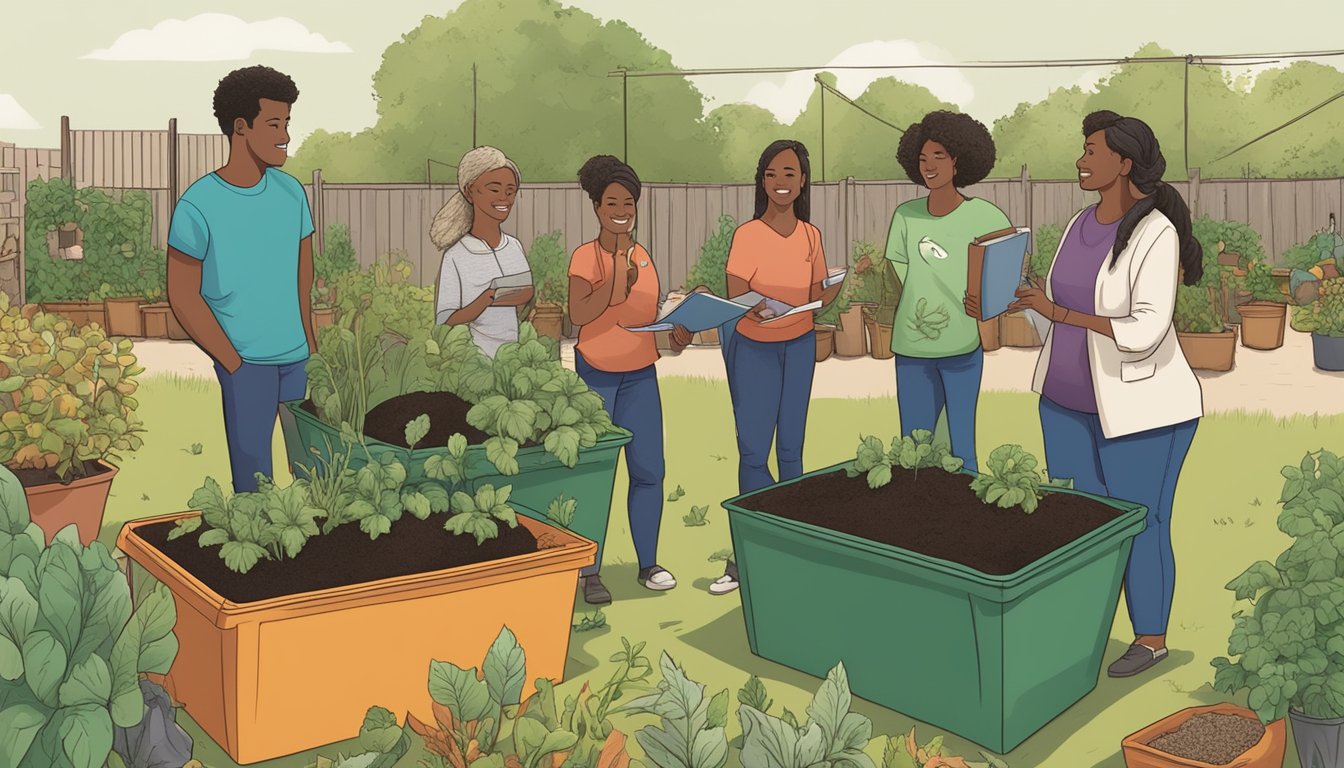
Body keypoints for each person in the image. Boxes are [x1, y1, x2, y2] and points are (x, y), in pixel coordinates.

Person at [1006, 111, 1203, 678]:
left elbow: (1143, 332)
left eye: (1091, 150)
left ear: (1124, 162)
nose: (1080, 159)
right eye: (1081, 148)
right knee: (1077, 523)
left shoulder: (1154, 234)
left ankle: (1151, 637)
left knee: (1140, 521)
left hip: (1141, 412)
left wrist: (1058, 312)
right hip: (1064, 403)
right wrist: (1024, 305)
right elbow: (1056, 313)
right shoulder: (1078, 224)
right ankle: (1083, 628)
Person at [167, 65, 315, 494]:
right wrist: (233, 362)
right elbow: (182, 294)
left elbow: (303, 279)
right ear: (240, 128)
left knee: (318, 479)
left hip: (300, 362)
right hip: (245, 365)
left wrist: (314, 351)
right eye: (274, 124)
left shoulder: (292, 194)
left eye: (287, 123)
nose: (285, 134)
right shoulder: (199, 204)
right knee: (254, 487)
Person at [710, 139, 841, 596]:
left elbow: (819, 292)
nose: (780, 182)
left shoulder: (811, 235)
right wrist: (757, 309)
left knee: (791, 452)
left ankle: (793, 547)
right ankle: (749, 553)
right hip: (755, 351)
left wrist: (832, 290)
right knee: (753, 452)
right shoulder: (747, 235)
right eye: (771, 173)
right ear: (761, 181)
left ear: (803, 181)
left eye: (789, 174)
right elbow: (736, 293)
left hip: (799, 346)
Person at [567, 155, 692, 605]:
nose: (622, 211)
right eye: (613, 202)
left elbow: (647, 319)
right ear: (597, 207)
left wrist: (678, 331)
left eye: (629, 204)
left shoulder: (645, 256)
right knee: (598, 474)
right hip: (596, 376)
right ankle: (589, 571)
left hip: (640, 374)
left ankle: (648, 563)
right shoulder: (586, 257)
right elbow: (579, 314)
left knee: (648, 472)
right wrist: (616, 269)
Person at [883, 111, 1011, 474]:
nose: (929, 166)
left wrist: (986, 306)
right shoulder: (905, 216)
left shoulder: (985, 216)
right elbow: (900, 272)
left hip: (962, 347)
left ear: (958, 160)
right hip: (911, 348)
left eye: (938, 156)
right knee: (915, 448)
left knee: (962, 448)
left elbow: (1008, 270)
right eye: (922, 159)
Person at [430, 146, 534, 357]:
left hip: (512, 357)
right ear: (469, 192)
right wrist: (486, 299)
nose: (504, 198)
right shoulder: (457, 256)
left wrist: (505, 295)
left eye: (510, 191)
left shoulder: (513, 246)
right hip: (474, 361)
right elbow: (445, 319)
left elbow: (526, 291)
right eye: (494, 189)